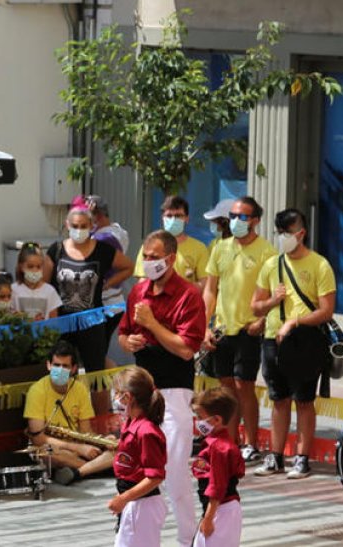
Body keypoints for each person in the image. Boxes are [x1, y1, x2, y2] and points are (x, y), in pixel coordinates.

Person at [118, 231, 206, 546]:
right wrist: (131, 341)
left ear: (170, 258)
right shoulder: (138, 291)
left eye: (155, 257)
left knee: (176, 474)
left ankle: (187, 539)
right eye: (146, 255)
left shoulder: (188, 294)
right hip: (141, 395)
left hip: (174, 392)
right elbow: (123, 335)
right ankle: (132, 534)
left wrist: (154, 325)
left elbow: (186, 349)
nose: (148, 262)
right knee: (132, 467)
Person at [250, 208, 336, 479]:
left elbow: (326, 311)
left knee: (304, 400)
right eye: (280, 232)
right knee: (278, 399)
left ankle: (302, 457)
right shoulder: (271, 265)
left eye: (288, 232)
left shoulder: (319, 265)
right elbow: (256, 306)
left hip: (305, 341)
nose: (283, 237)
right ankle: (275, 456)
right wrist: (273, 302)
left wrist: (295, 322)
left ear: (302, 233)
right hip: (272, 340)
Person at [201, 197, 274, 462]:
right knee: (226, 387)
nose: (235, 221)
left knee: (245, 385)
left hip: (249, 328)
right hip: (222, 327)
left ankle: (251, 443)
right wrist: (205, 326)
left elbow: (275, 293)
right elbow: (210, 289)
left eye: (242, 217)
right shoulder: (220, 248)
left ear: (255, 220)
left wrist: (261, 320)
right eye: (232, 216)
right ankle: (229, 442)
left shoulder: (267, 252)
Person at [45, 206, 132, 372]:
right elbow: (45, 283)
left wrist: (108, 283)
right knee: (62, 371)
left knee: (96, 373)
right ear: (67, 225)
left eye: (84, 226)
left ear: (91, 226)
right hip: (62, 324)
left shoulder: (102, 250)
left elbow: (128, 266)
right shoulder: (56, 250)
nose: (79, 230)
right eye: (75, 226)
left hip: (92, 323)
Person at [23, 340, 114, 486]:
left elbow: (86, 431)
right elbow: (38, 439)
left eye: (65, 366)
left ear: (73, 369)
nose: (60, 369)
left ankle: (77, 472)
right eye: (56, 365)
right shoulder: (36, 391)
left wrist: (101, 442)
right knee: (49, 452)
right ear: (48, 365)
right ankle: (99, 468)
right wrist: (78, 448)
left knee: (116, 445)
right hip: (55, 449)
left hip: (78, 449)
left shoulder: (79, 389)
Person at [107, 366, 167, 547]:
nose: (115, 398)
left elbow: (155, 476)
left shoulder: (146, 431)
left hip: (142, 505)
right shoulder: (131, 423)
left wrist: (124, 498)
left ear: (127, 397)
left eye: (117, 393)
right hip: (132, 502)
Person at [191, 388, 244, 547]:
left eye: (200, 417)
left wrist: (208, 518)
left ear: (216, 420)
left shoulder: (219, 448)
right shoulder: (212, 444)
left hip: (220, 508)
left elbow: (217, 486)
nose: (197, 421)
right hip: (216, 508)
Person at [133, 196, 211, 290]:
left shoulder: (199, 248)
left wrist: (178, 290)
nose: (173, 220)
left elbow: (205, 283)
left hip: (185, 303)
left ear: (186, 219)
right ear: (162, 218)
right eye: (169, 216)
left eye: (178, 216)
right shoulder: (149, 246)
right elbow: (142, 280)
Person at [11, 243, 62, 320]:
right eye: (30, 266)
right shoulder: (13, 290)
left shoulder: (50, 291)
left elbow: (54, 321)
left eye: (38, 267)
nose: (35, 270)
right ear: (21, 267)